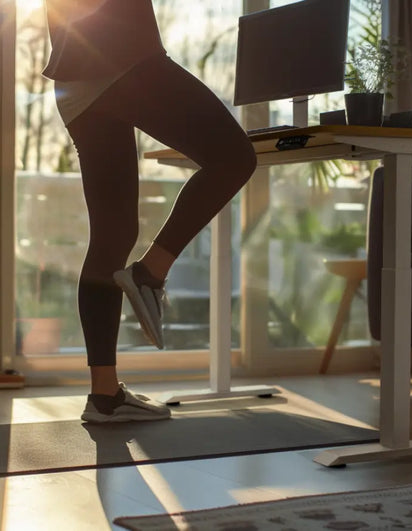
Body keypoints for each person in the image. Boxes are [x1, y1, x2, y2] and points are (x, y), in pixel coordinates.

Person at [42, 0, 256, 423]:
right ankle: (149, 273)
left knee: (113, 235)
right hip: (122, 56)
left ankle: (105, 395)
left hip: (74, 81)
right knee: (234, 158)